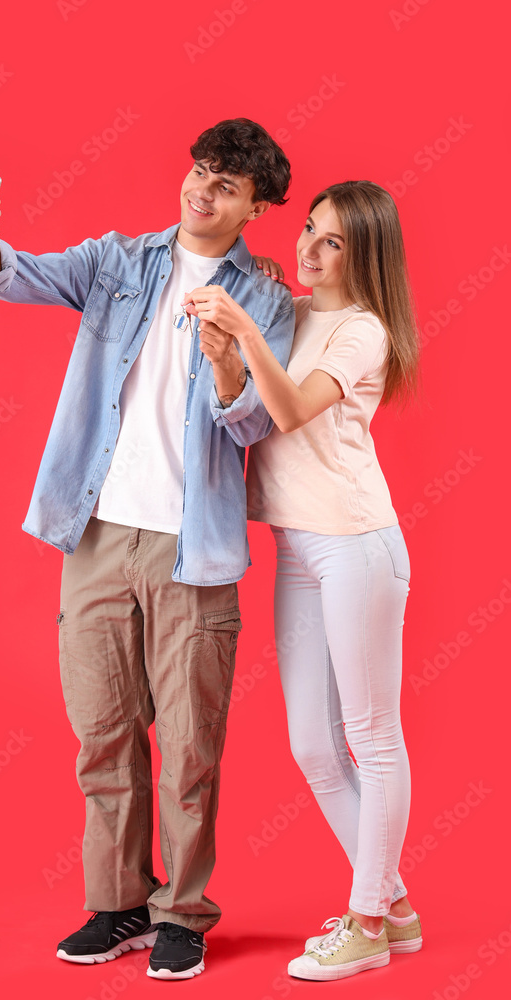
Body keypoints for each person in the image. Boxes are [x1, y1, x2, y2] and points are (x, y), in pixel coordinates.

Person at [0, 118, 294, 981]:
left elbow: (256, 419)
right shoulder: (119, 262)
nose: (199, 191)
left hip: (196, 551)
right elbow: (20, 277)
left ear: (256, 205)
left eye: (223, 184)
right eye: (197, 172)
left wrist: (225, 362)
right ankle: (118, 906)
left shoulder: (265, 301)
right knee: (102, 732)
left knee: (186, 745)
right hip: (98, 535)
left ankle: (184, 913)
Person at [185, 180, 422, 981]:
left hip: (356, 545)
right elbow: (244, 402)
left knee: (370, 736)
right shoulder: (292, 311)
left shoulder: (361, 332)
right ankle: (391, 904)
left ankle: (364, 923)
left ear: (365, 257)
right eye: (310, 232)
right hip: (297, 545)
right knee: (312, 745)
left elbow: (286, 413)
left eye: (331, 244)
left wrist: (245, 328)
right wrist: (228, 348)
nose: (308, 250)